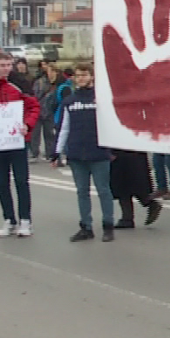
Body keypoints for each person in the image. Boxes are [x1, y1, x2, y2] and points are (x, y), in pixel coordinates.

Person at [52, 65, 115, 243]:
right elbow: (64, 128)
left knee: (103, 190)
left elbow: (111, 124)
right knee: (82, 191)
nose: (81, 78)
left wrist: (113, 149)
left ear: (91, 77)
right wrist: (57, 152)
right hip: (76, 154)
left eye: (84, 75)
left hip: (99, 153)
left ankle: (108, 225)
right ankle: (86, 227)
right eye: (78, 76)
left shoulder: (101, 100)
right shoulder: (69, 101)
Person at [0, 50, 41, 237]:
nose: (7, 69)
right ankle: (9, 220)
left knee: (21, 181)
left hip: (18, 141)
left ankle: (26, 221)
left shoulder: (20, 84)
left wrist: (27, 124)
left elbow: (33, 107)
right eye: (3, 65)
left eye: (9, 65)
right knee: (2, 183)